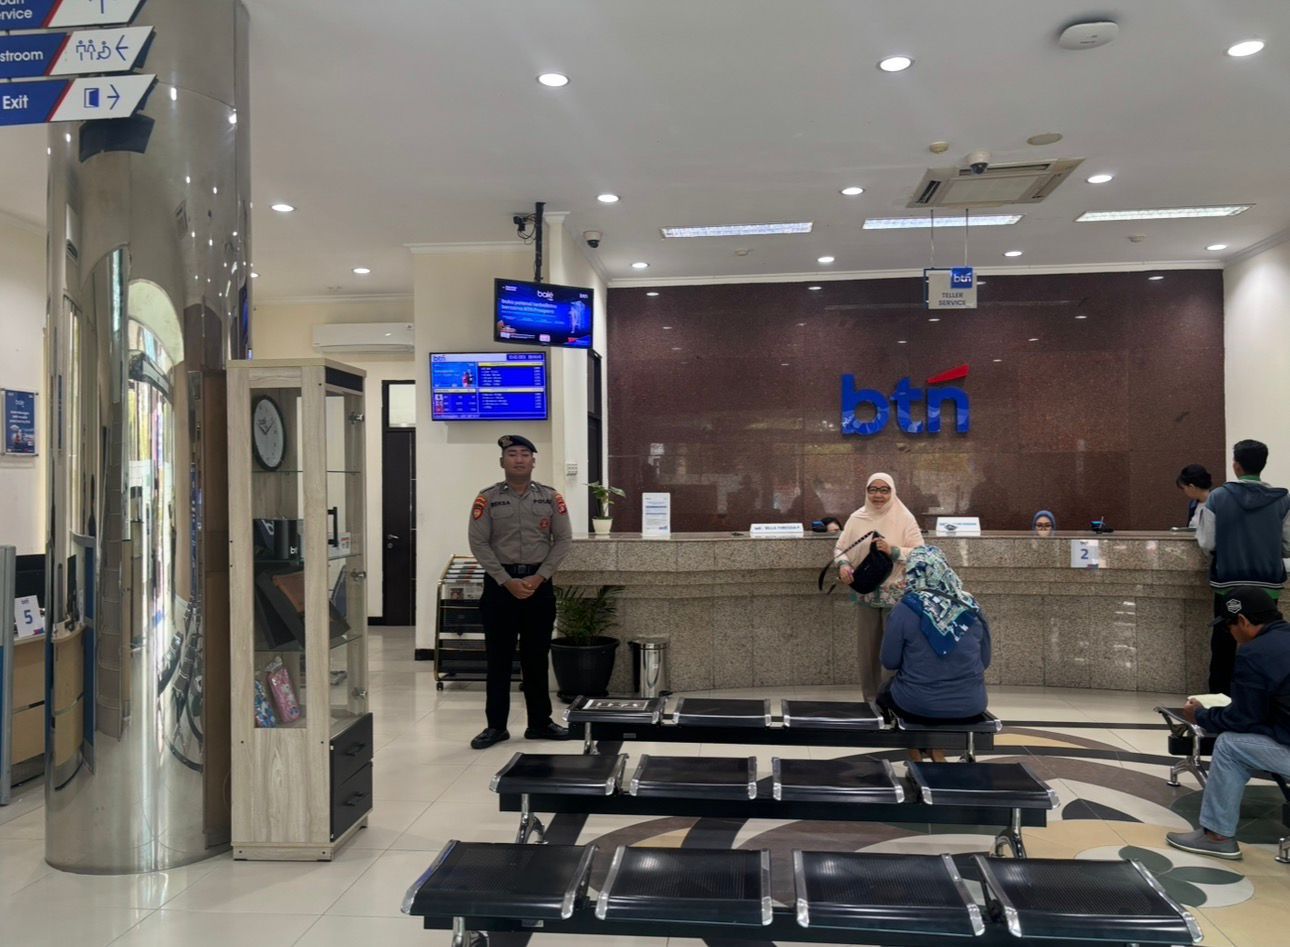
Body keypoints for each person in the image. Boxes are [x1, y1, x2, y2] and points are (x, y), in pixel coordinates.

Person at [1166, 587, 1290, 860]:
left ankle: (1217, 836)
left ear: (1243, 621)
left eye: (1229, 626)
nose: (1230, 633)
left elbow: (1242, 719)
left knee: (1230, 746)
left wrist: (1200, 715)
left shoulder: (1255, 653)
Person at [466, 434, 573, 749]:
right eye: (512, 454)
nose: (519, 459)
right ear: (502, 461)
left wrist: (540, 577)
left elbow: (563, 540)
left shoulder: (550, 497)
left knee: (536, 657)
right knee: (498, 659)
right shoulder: (487, 498)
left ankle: (540, 723)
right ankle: (496, 727)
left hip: (539, 585)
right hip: (501, 587)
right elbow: (478, 542)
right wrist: (505, 580)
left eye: (525, 454)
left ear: (533, 461)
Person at [876, 545, 991, 761]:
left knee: (885, 693)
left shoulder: (905, 609)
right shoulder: (972, 606)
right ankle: (936, 751)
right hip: (971, 704)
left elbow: (889, 661)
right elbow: (984, 661)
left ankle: (916, 756)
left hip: (917, 704)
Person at [1196, 439, 1290, 694]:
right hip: (1268, 585)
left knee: (1224, 643)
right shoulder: (1282, 499)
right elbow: (1288, 545)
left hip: (1229, 584)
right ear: (1263, 464)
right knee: (1268, 641)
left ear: (1236, 465)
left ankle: (1220, 698)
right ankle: (1265, 696)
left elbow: (1208, 542)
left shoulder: (1218, 497)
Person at [834, 473, 925, 697]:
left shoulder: (904, 517)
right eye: (873, 489)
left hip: (896, 594)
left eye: (884, 490)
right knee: (867, 649)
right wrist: (843, 565)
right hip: (865, 592)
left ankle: (892, 697)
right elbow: (841, 548)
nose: (878, 495)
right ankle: (870, 698)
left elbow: (921, 553)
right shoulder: (857, 517)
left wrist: (893, 550)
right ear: (866, 491)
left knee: (893, 648)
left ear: (892, 492)